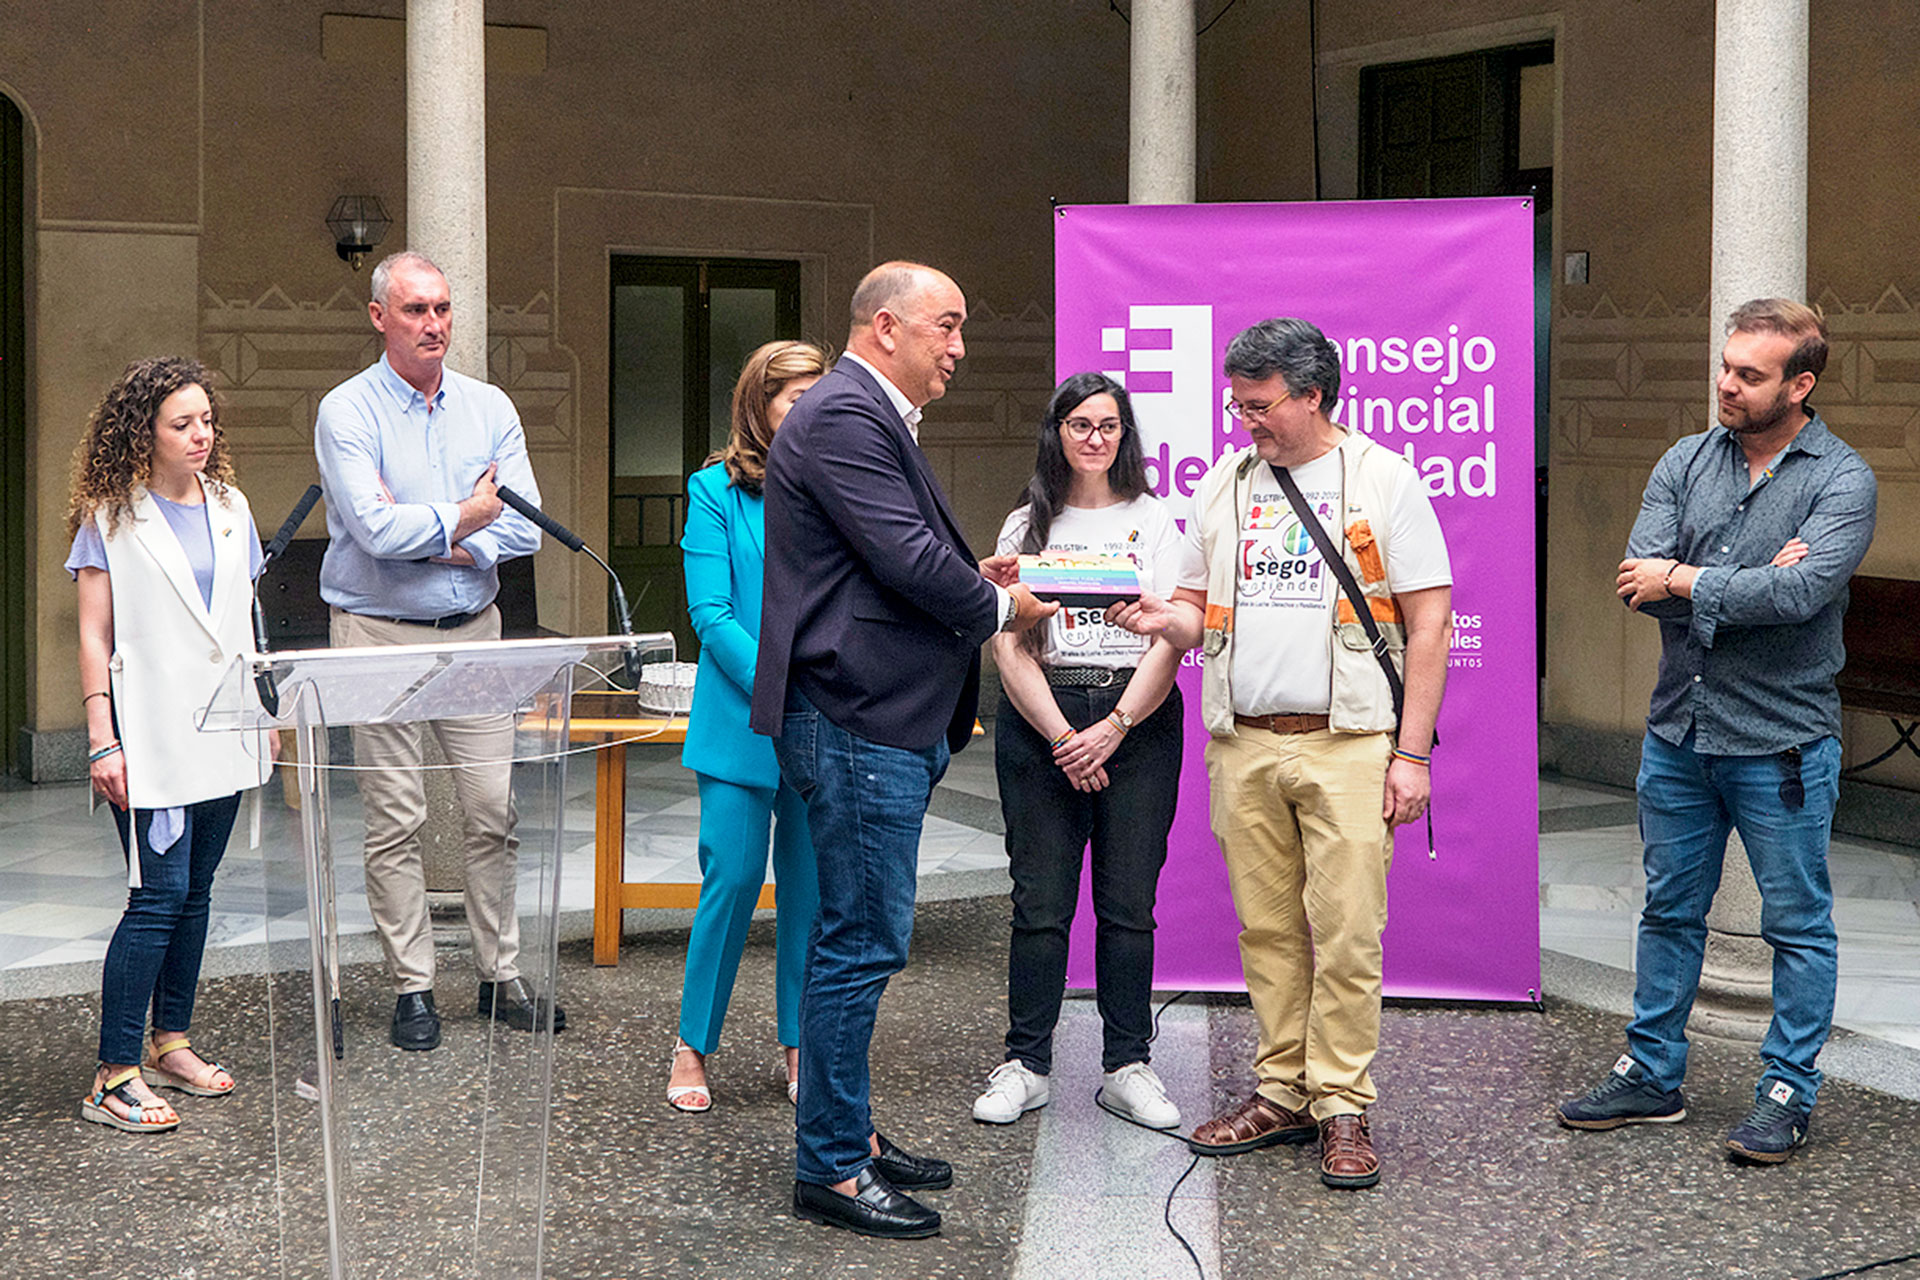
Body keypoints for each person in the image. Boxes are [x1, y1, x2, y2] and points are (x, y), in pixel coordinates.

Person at [1110, 316, 1453, 1190]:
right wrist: (1165, 621)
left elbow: (1430, 621)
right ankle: (1282, 1090)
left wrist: (1410, 755)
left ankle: (1342, 1105)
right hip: (1246, 743)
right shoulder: (1226, 481)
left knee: (1345, 934)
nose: (1245, 422)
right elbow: (1192, 606)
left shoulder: (1384, 480)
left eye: (1261, 406)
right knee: (1268, 931)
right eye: (1237, 404)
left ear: (1313, 395)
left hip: (1349, 745)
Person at [751, 261, 1054, 1239]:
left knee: (860, 937)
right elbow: (900, 561)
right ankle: (832, 1167)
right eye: (947, 327)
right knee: (860, 941)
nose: (959, 348)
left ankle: (850, 1133)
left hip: (878, 717)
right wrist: (1003, 601)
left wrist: (971, 574)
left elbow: (885, 563)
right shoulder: (845, 415)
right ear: (886, 327)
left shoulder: (862, 414)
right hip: (855, 719)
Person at [1557, 299, 1876, 1164]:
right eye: (1725, 366)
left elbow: (1802, 598)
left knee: (1796, 924)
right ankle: (1652, 1073)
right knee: (1668, 910)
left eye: (1749, 374)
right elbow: (1636, 579)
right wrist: (1730, 583)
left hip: (1781, 744)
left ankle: (1785, 1092)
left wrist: (1686, 580)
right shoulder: (1685, 460)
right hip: (1679, 734)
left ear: (1800, 384)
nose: (1727, 385)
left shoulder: (1841, 480)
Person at [313, 249, 557, 1052]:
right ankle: (412, 986)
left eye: (444, 309)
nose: (435, 325)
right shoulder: (348, 411)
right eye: (417, 310)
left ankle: (499, 976)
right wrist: (466, 515)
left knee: (494, 810)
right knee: (396, 819)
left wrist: (444, 534)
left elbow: (525, 524)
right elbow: (373, 533)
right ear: (380, 316)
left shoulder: (488, 408)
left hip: (474, 637)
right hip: (377, 636)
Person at [970, 373, 1187, 1131]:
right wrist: (1065, 736)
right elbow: (1008, 644)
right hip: (1044, 723)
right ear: (1055, 432)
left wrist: (1116, 726)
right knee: (1039, 903)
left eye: (1109, 425)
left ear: (1125, 436)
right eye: (1080, 424)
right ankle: (1025, 1063)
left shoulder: (1158, 524)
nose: (1094, 438)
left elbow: (1172, 640)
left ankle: (1127, 1065)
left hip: (1138, 721)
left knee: (1128, 906)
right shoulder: (1026, 525)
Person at [67, 357, 274, 1132]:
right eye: (180, 423)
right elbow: (94, 635)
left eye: (206, 421)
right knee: (156, 896)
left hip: (226, 725)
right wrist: (100, 738)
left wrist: (268, 711)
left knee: (195, 895)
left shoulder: (231, 505)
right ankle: (112, 1074)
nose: (199, 435)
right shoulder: (111, 517)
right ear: (143, 433)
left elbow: (242, 624)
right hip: (148, 735)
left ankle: (169, 1043)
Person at [667, 340, 829, 1113]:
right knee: (731, 881)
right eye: (792, 397)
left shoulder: (838, 485)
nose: (805, 410)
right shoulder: (714, 490)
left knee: (810, 890)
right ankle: (693, 1043)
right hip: (742, 720)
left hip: (824, 718)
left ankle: (799, 1042)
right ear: (757, 406)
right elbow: (711, 614)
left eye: (816, 396)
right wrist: (780, 680)